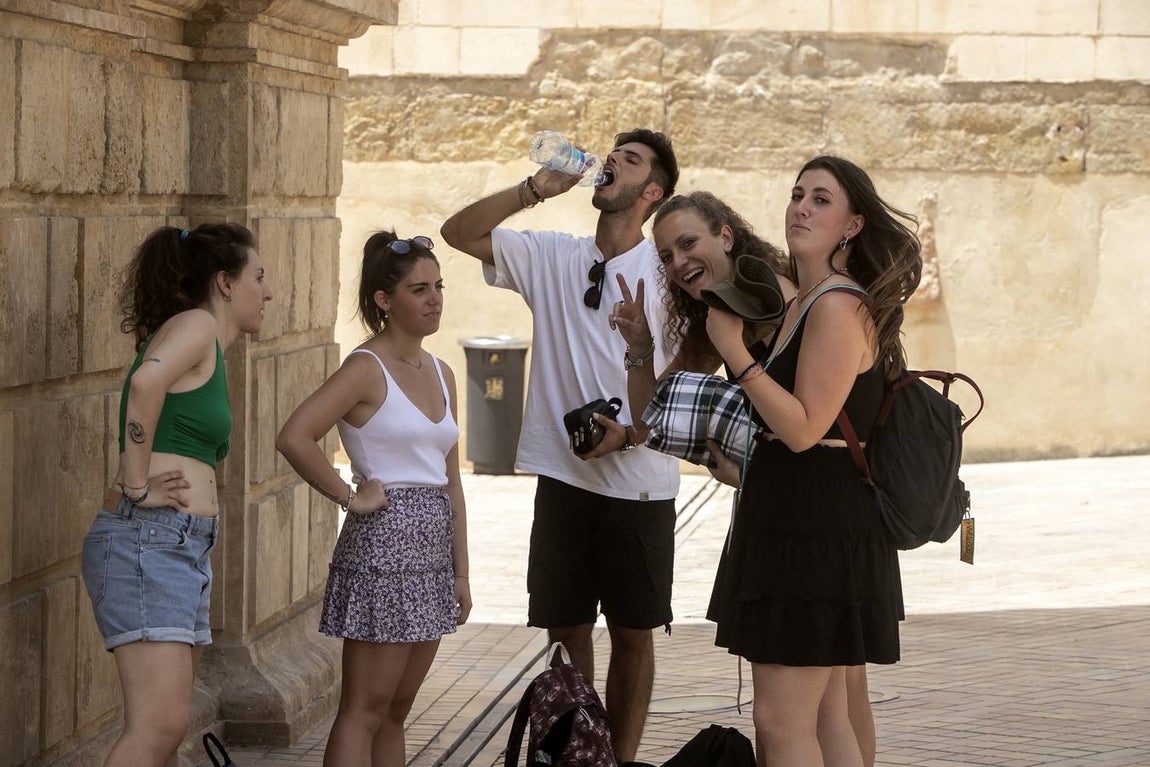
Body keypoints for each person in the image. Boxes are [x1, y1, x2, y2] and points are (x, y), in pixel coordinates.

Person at [610, 190, 887, 766]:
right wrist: (639, 350)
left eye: (689, 243)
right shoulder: (722, 310)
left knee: (792, 717)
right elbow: (651, 417)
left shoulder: (771, 300)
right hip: (807, 514)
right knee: (832, 705)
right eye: (665, 256)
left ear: (727, 236)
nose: (678, 262)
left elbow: (804, 425)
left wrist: (737, 359)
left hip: (809, 521)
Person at [440, 128, 680, 763]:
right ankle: (581, 756)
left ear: (652, 192)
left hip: (640, 483)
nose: (611, 165)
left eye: (630, 162)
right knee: (566, 628)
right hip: (563, 478)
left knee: (633, 633)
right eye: (613, 155)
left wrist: (629, 433)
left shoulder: (668, 276)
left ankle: (620, 762)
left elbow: (683, 392)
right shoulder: (554, 255)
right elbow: (457, 234)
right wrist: (534, 189)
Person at [80, 223, 272, 767]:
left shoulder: (199, 337)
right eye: (258, 277)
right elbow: (145, 385)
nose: (269, 291)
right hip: (151, 540)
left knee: (168, 727)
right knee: (158, 727)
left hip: (175, 544)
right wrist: (137, 486)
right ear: (225, 283)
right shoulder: (197, 324)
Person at [275, 232, 470, 767]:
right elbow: (294, 436)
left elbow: (451, 482)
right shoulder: (365, 367)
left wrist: (462, 573)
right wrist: (347, 495)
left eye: (438, 287)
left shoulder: (443, 372)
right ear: (385, 300)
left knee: (396, 712)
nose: (434, 299)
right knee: (364, 708)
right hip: (384, 548)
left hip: (431, 553)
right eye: (418, 289)